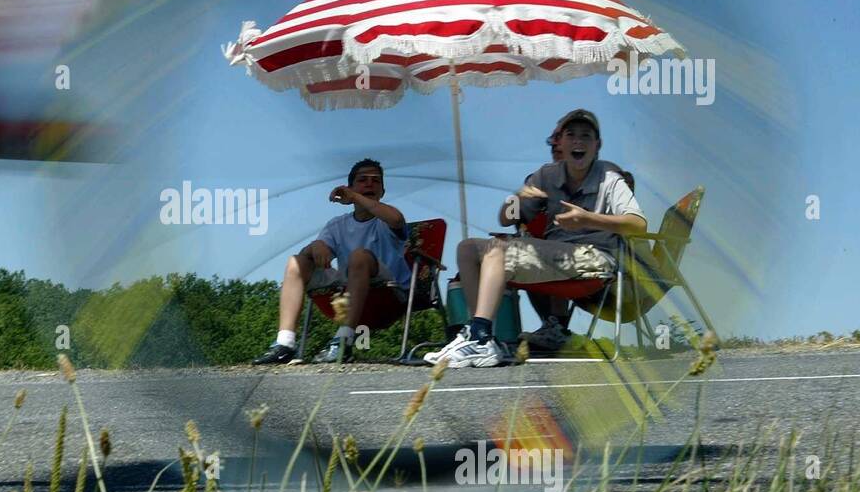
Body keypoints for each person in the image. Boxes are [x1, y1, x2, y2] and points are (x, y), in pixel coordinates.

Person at [431, 109, 645, 368]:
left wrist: (588, 219)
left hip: (594, 258)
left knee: (497, 251)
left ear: (597, 145)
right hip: (555, 254)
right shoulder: (546, 175)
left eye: (586, 136)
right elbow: (505, 218)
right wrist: (518, 198)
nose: (578, 141)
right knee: (467, 248)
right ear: (560, 143)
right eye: (571, 135)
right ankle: (481, 335)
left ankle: (479, 337)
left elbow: (638, 225)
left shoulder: (610, 177)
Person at [254, 158, 409, 364]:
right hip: (347, 287)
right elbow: (310, 256)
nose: (370, 184)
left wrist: (355, 196)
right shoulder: (337, 225)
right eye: (363, 180)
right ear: (350, 186)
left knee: (359, 256)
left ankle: (343, 340)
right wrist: (315, 245)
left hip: (389, 292)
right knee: (297, 262)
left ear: (382, 191)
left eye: (376, 181)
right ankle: (285, 343)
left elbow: (397, 220)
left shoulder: (386, 220)